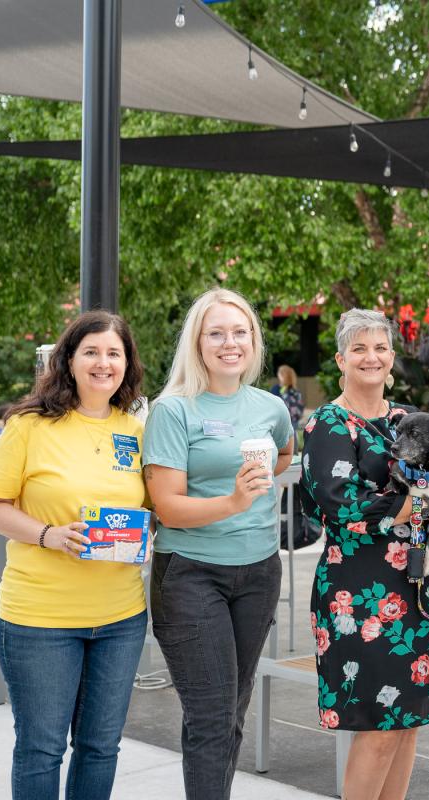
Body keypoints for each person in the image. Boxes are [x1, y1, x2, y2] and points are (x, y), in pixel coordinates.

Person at [299, 308, 429, 800]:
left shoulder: (409, 420)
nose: (371, 357)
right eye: (359, 348)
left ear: (391, 358)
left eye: (380, 347)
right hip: (364, 596)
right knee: (380, 727)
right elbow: (340, 504)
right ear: (341, 359)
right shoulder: (328, 424)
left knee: (410, 719)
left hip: (426, 592)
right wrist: (423, 503)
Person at [0, 310, 149, 800]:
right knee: (41, 749)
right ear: (68, 360)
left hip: (120, 617)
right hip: (40, 619)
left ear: (126, 364)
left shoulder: (134, 431)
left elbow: (146, 508)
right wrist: (48, 534)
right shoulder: (29, 425)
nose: (103, 363)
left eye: (114, 353)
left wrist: (145, 535)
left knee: (101, 747)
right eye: (91, 351)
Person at [142, 288, 294, 800]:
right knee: (210, 714)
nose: (230, 343)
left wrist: (253, 488)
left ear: (253, 340)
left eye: (240, 332)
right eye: (216, 333)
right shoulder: (173, 410)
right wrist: (232, 502)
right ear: (198, 343)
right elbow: (167, 506)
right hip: (190, 573)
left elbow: (283, 454)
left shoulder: (271, 408)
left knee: (233, 708)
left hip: (258, 572)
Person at [271, 364, 305, 430]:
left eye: (280, 373)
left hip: (292, 421)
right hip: (279, 421)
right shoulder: (276, 388)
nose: (278, 375)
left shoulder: (293, 391)